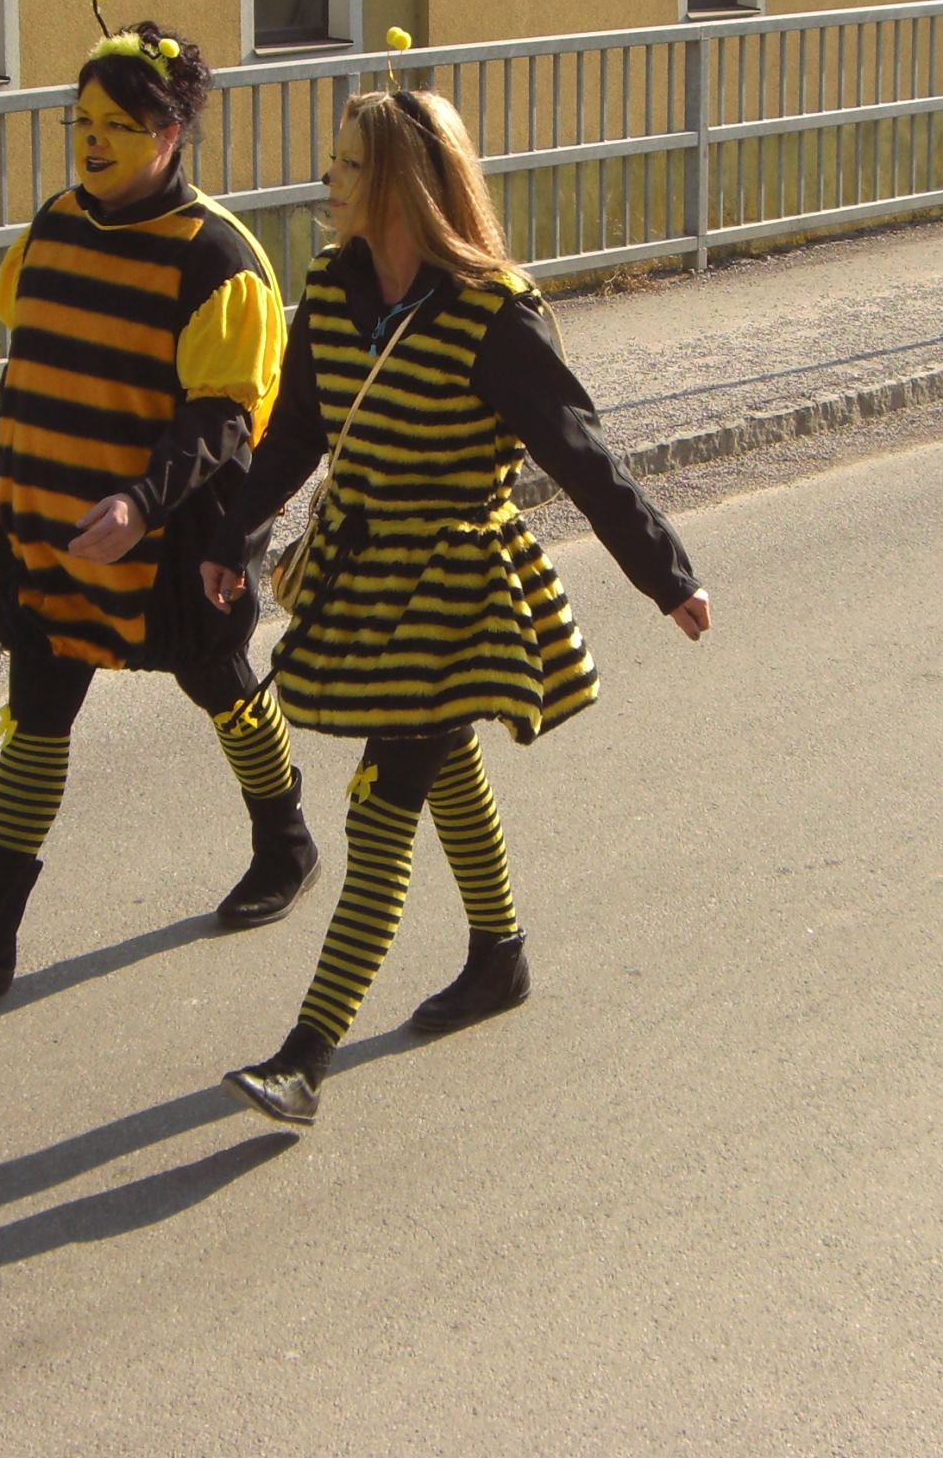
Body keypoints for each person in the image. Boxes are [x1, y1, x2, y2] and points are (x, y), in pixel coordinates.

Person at [200, 80, 712, 1127]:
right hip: (364, 572)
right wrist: (231, 537)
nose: (329, 180)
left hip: (455, 586)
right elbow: (295, 436)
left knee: (381, 798)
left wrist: (667, 575)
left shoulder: (492, 312)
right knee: (442, 761)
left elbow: (580, 455)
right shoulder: (331, 288)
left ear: (397, 184)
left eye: (349, 166)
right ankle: (499, 956)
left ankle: (305, 1056)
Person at [0, 0, 316, 996]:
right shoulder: (53, 228)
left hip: (170, 537)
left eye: (118, 125)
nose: (93, 142)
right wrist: (2, 480)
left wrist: (141, 503)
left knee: (220, 683)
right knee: (37, 708)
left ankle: (286, 842)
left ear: (170, 134)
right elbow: (29, 371)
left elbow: (222, 417)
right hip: (52, 524)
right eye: (82, 122)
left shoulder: (216, 258)